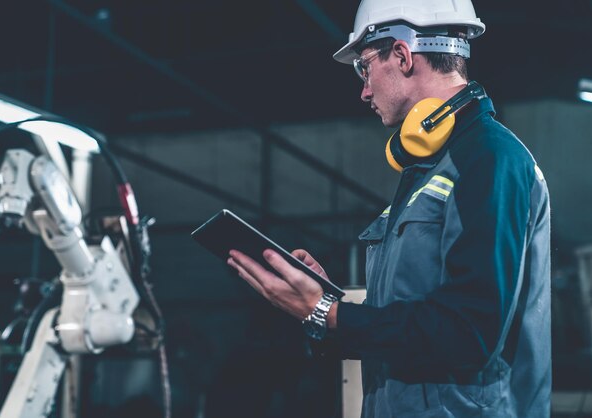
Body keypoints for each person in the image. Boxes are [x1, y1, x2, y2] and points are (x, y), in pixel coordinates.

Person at [227, 0, 551, 416]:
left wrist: (329, 314)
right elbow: (414, 325)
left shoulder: (490, 158)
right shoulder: (432, 167)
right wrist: (326, 302)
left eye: (364, 67)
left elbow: (469, 334)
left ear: (401, 55)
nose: (363, 89)